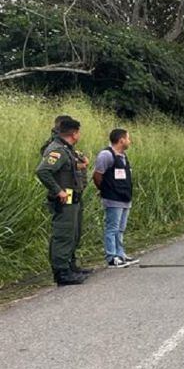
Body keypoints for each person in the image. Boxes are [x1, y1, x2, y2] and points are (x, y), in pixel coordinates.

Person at [35, 117, 88, 285]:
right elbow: (43, 171)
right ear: (74, 133)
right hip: (64, 200)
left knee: (73, 233)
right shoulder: (57, 150)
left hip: (74, 198)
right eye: (78, 132)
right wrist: (57, 190)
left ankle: (70, 266)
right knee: (63, 235)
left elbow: (66, 169)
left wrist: (80, 166)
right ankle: (61, 273)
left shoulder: (67, 149)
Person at [94, 128, 138, 268]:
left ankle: (120, 254)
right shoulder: (106, 155)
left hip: (125, 197)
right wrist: (105, 189)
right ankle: (111, 257)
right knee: (112, 228)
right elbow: (97, 175)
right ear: (121, 140)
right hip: (113, 198)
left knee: (120, 229)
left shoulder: (123, 156)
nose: (129, 141)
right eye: (128, 138)